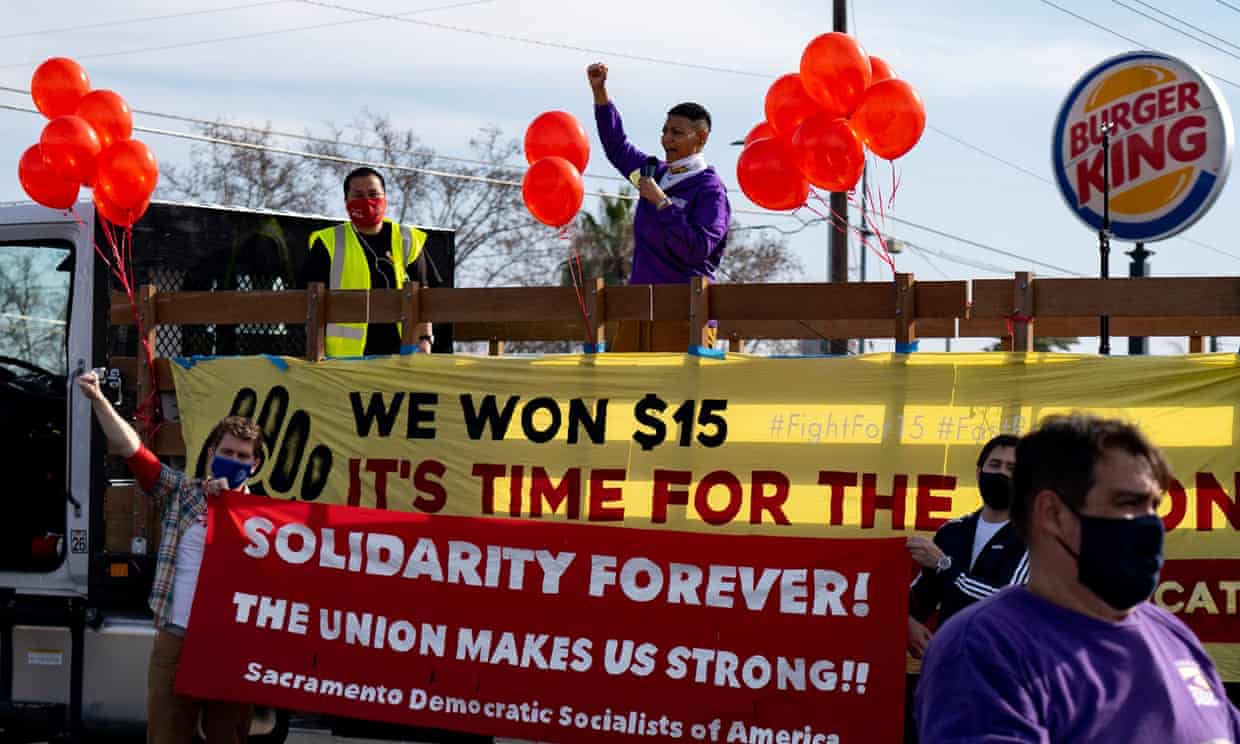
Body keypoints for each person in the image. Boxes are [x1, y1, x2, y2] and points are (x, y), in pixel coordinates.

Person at [916, 414, 1240, 743]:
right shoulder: (985, 651)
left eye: (1153, 506)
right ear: (1052, 513)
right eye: (1127, 503)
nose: (1151, 525)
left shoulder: (1172, 635)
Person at [78, 370, 263, 743]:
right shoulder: (181, 492)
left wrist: (231, 506)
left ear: (255, 465)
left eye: (242, 456)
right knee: (166, 735)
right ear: (211, 455)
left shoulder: (267, 518)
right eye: (226, 452)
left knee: (229, 737)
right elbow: (132, 450)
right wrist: (98, 398)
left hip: (231, 646)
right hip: (176, 640)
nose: (233, 459)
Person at [587, 62, 731, 352]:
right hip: (637, 308)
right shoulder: (653, 172)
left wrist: (663, 204)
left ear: (700, 138)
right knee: (623, 395)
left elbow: (698, 248)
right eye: (664, 131)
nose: (667, 139)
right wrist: (600, 92)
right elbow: (617, 147)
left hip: (686, 315)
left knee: (679, 397)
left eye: (677, 133)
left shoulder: (710, 189)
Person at [906, 434, 1025, 657]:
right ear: (979, 472)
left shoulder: (1036, 537)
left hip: (1000, 670)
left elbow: (1006, 603)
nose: (1002, 473)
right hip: (947, 665)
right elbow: (922, 595)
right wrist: (907, 622)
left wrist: (945, 564)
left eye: (1012, 469)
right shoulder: (951, 532)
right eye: (995, 465)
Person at [298, 167, 435, 357]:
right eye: (358, 195)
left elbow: (425, 294)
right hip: (345, 361)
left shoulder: (407, 239)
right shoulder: (328, 242)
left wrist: (425, 340)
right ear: (346, 201)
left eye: (373, 194)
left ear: (385, 197)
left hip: (403, 354)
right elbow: (306, 299)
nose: (367, 201)